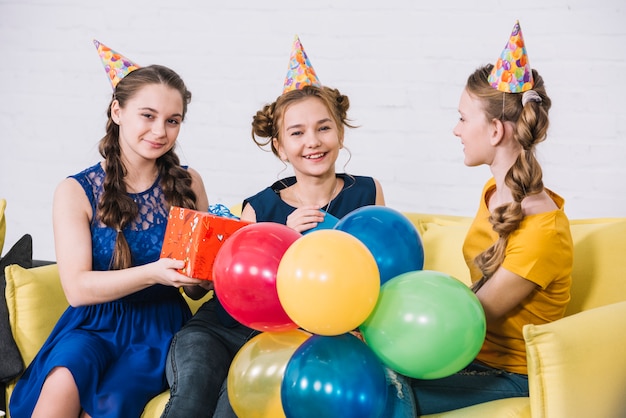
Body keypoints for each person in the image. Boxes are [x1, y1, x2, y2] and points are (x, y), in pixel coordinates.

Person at [161, 35, 414, 418]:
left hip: (284, 341)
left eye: (323, 128)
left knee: (234, 409)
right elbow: (234, 292)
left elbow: (376, 275)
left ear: (340, 133)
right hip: (222, 329)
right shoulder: (258, 206)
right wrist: (285, 241)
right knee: (191, 397)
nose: (312, 142)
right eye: (296, 133)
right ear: (280, 146)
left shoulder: (367, 192)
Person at [9, 40, 208, 418]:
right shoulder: (76, 190)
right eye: (147, 115)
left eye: (172, 120)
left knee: (110, 403)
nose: (160, 131)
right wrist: (154, 272)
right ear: (117, 111)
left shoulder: (188, 182)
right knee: (62, 380)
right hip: (92, 324)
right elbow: (78, 289)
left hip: (158, 328)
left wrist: (210, 271)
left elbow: (196, 287)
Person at [409, 21, 574, 415]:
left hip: (507, 373)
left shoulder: (544, 232)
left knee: (381, 389)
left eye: (464, 118)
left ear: (496, 129)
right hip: (470, 357)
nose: (456, 129)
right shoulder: (494, 192)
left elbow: (471, 316)